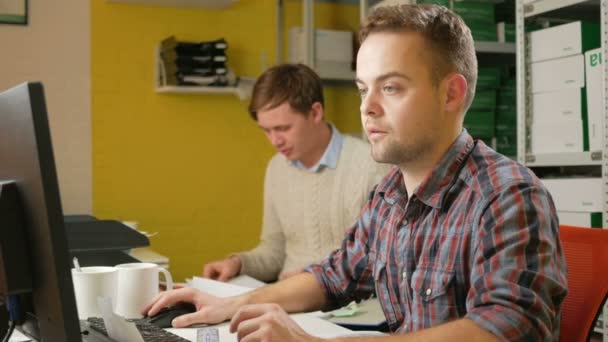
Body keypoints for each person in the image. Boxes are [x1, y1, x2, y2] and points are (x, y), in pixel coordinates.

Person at [146, 4, 568, 341]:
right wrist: (230, 305)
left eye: (391, 87)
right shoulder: (390, 195)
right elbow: (334, 276)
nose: (367, 107)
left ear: (451, 94)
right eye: (364, 89)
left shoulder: (507, 194)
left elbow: (510, 328)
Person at [203, 63, 390, 282]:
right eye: (266, 130)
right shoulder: (277, 168)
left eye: (283, 128)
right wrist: (238, 263)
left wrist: (313, 279)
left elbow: (384, 261)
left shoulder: (372, 165)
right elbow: (275, 252)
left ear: (315, 112)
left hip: (346, 309)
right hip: (287, 301)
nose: (275, 141)